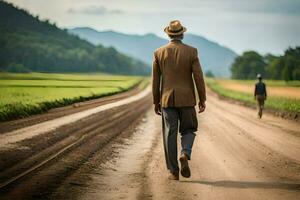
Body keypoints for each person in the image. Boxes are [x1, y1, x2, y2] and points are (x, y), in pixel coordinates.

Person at [152, 20, 206, 180]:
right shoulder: (192, 52)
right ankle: (185, 153)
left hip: (167, 100)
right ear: (182, 34)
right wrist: (202, 98)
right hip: (188, 99)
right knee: (189, 129)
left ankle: (174, 172)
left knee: (170, 133)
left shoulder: (158, 53)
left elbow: (156, 81)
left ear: (168, 34)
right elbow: (198, 77)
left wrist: (156, 101)